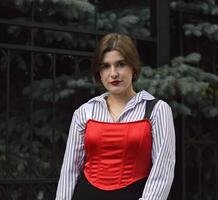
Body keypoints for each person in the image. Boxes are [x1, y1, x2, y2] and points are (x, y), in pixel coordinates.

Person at [55, 33, 175, 200]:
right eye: (105, 66)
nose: (113, 74)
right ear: (99, 72)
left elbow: (163, 170)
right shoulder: (84, 112)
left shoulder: (157, 110)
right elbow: (70, 169)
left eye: (120, 64)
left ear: (133, 67)